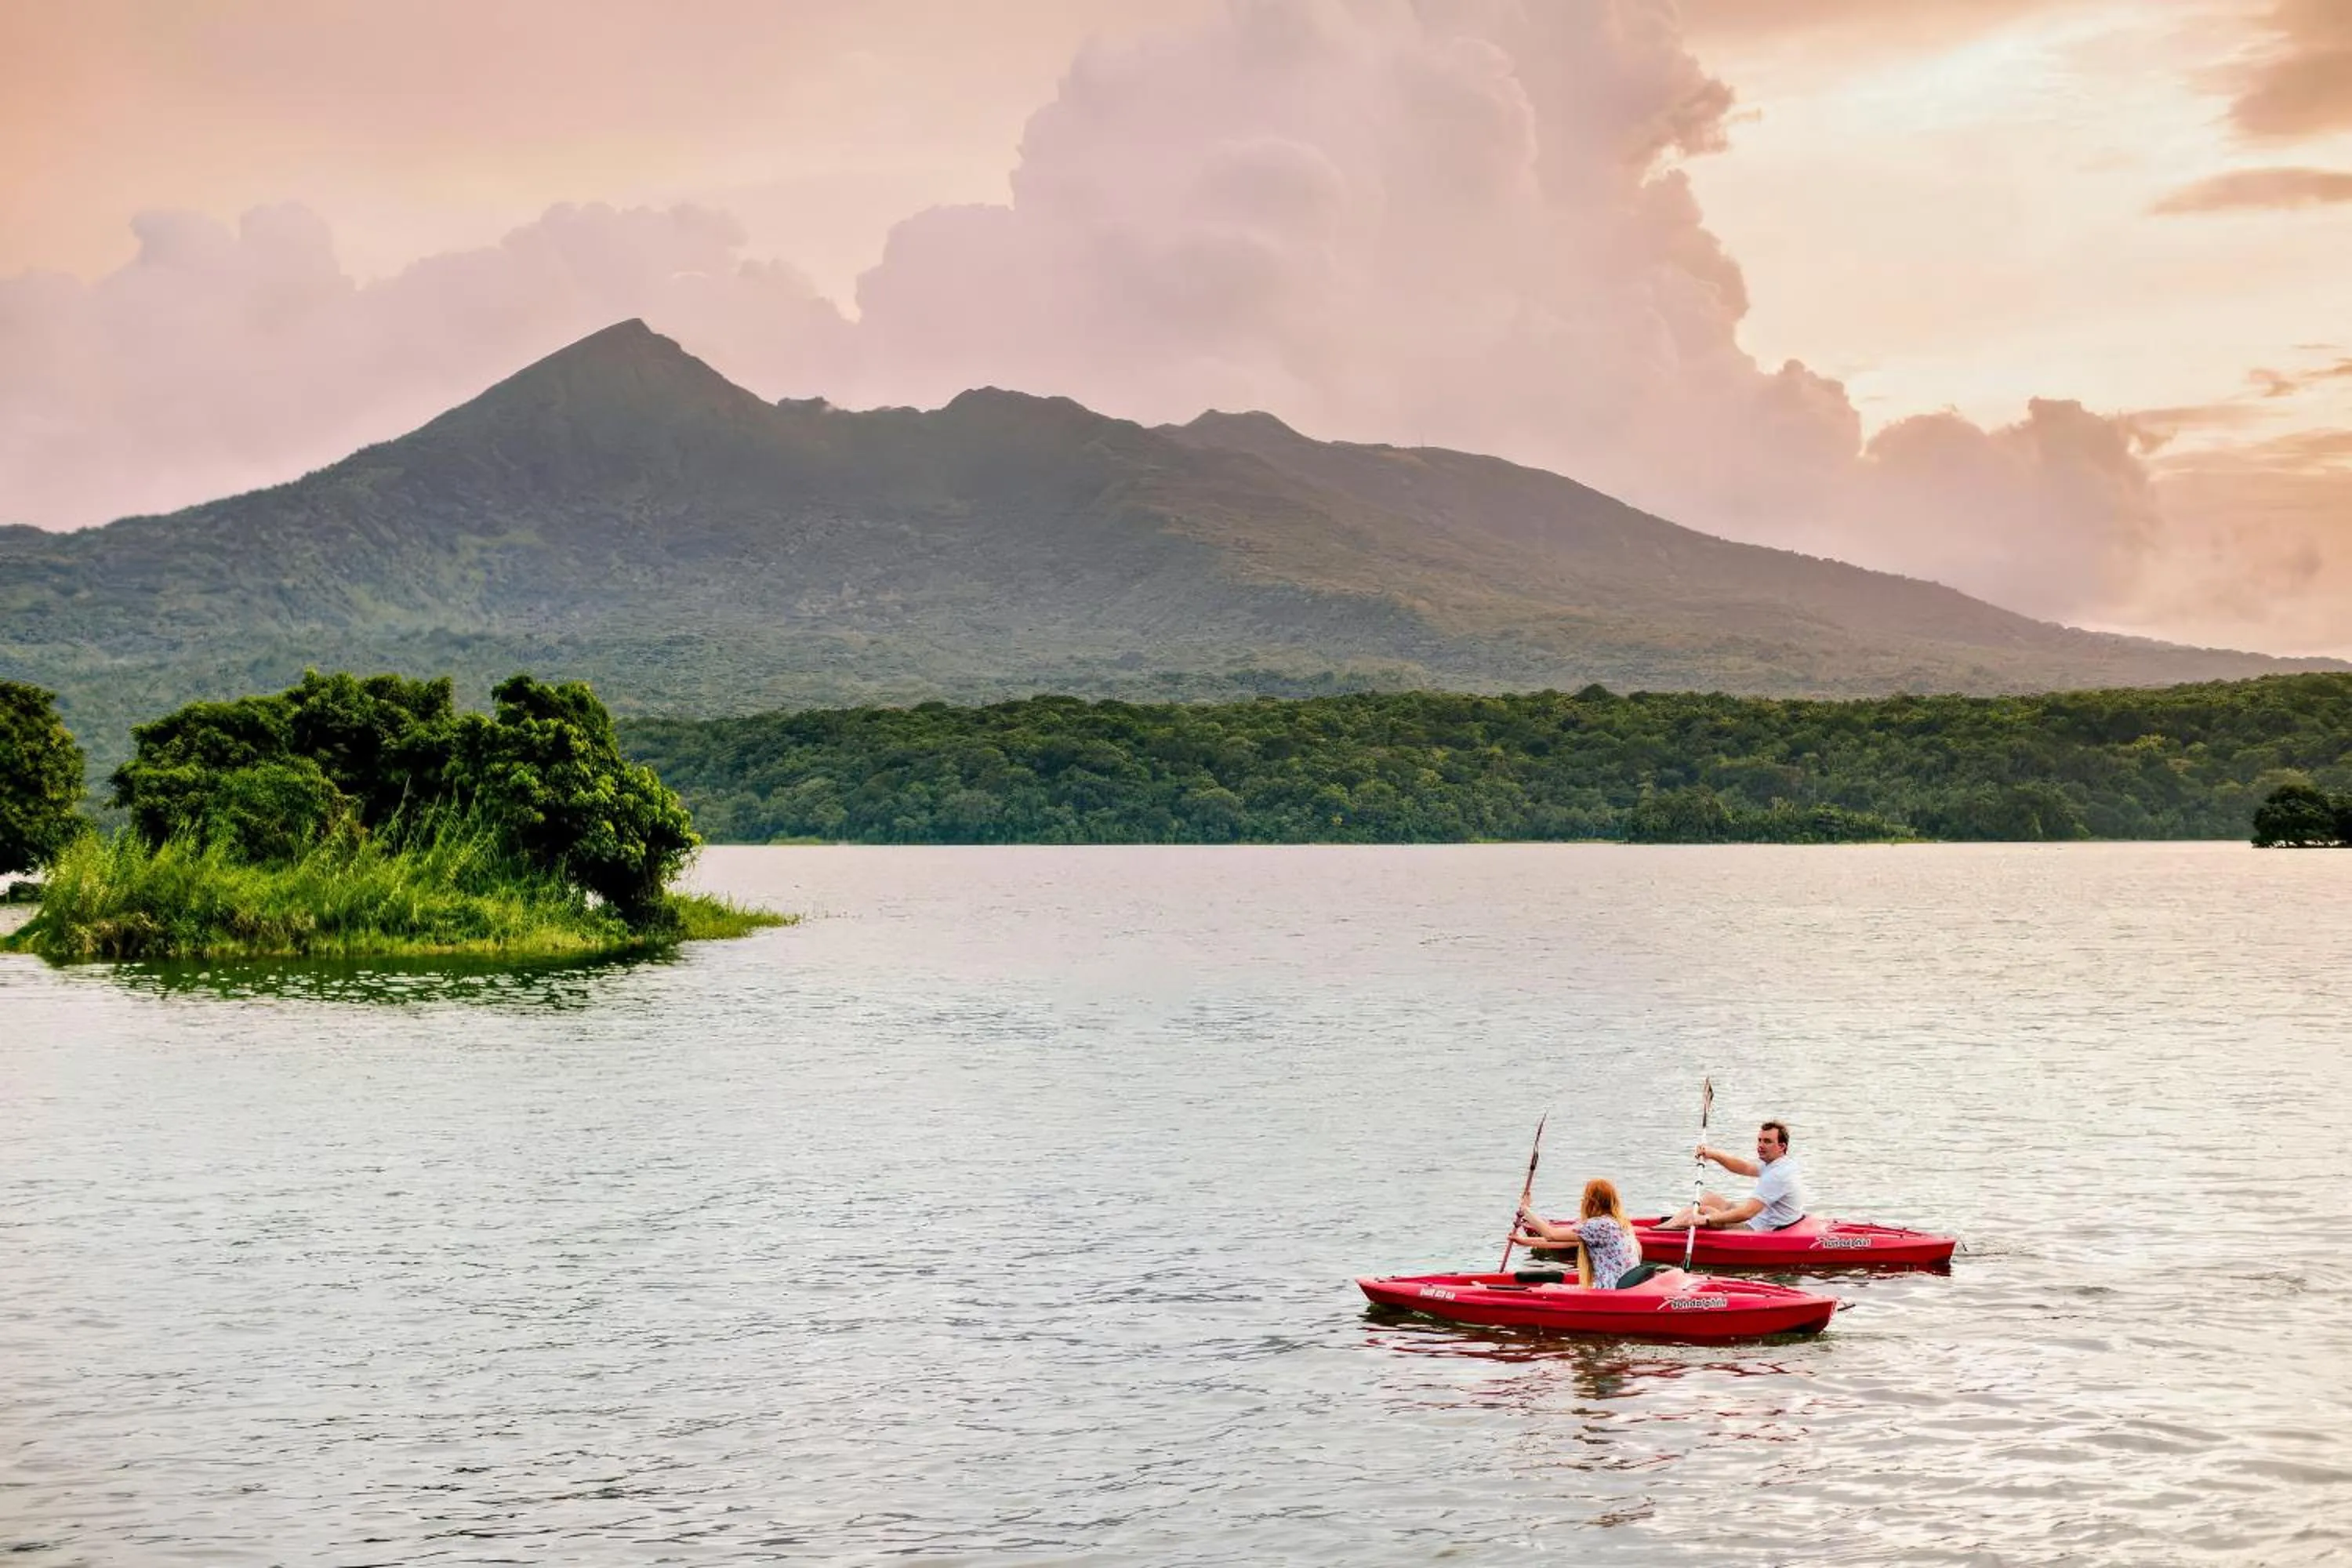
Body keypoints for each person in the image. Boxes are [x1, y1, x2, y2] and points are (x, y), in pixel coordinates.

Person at [1510, 1177, 1669, 1289]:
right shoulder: (1620, 1223)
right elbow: (1566, 1242)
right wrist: (1526, 1242)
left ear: (1592, 1202)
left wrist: (1525, 1210)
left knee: (1549, 1287)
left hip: (1611, 1289)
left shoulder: (1599, 1225)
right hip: (1628, 1284)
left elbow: (1551, 1234)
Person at [1652, 1119, 1806, 1232]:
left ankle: (1658, 1232)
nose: (1760, 1145)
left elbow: (1747, 1213)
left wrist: (1706, 1219)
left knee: (1704, 1210)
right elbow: (1744, 1167)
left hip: (1758, 1229)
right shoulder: (1780, 1163)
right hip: (1761, 1219)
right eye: (1759, 1140)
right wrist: (1712, 1154)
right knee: (1711, 1198)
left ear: (1782, 1146)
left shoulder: (1778, 1175)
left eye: (1767, 1142)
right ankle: (1669, 1226)